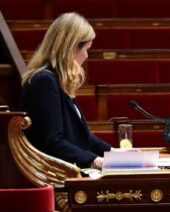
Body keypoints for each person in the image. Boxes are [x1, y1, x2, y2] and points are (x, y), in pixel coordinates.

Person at [18, 12, 111, 169]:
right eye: (86, 49)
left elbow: (84, 137)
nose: (86, 56)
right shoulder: (44, 81)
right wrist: (95, 160)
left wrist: (115, 153)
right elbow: (53, 141)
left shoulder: (57, 80)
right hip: (54, 177)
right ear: (72, 47)